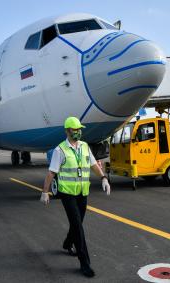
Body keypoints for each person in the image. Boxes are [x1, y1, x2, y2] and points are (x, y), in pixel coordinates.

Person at [40, 116, 111, 278]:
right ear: (67, 131)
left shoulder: (85, 146)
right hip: (67, 194)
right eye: (75, 129)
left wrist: (103, 178)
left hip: (82, 192)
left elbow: (93, 164)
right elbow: (52, 172)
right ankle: (85, 264)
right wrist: (45, 191)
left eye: (80, 129)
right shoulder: (60, 150)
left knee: (78, 222)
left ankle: (67, 243)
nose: (78, 132)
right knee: (78, 227)